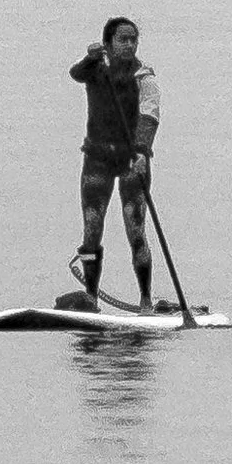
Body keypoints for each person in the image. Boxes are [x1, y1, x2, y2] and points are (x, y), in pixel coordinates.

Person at [67, 16, 160, 309]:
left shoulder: (144, 77)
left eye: (134, 40)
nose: (130, 45)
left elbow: (149, 116)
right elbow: (76, 73)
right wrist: (91, 57)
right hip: (98, 158)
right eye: (123, 40)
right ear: (108, 43)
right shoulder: (96, 69)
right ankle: (91, 297)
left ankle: (145, 300)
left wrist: (142, 152)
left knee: (135, 229)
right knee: (92, 228)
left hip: (132, 159)